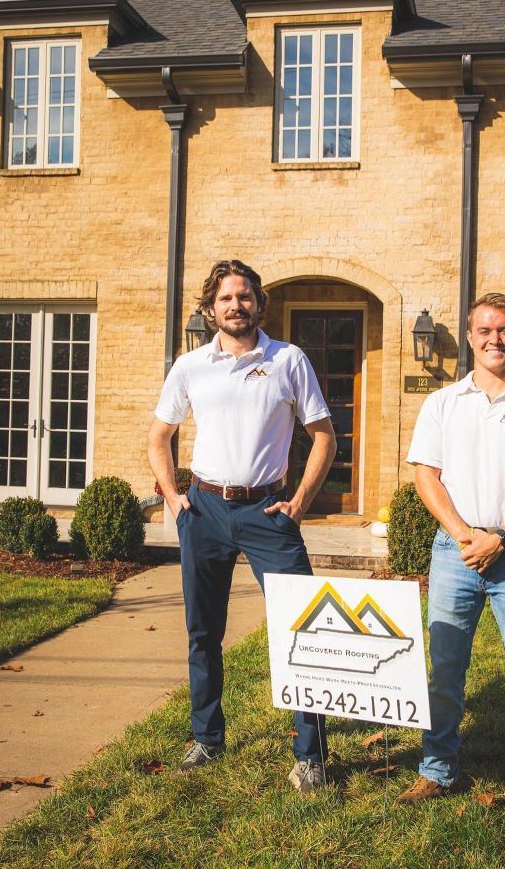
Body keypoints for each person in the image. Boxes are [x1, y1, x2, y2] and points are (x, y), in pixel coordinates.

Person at [147, 259, 336, 793]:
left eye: (246, 296)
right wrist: (172, 496)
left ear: (259, 304)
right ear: (211, 309)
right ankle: (207, 737)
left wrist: (299, 500)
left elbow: (324, 435)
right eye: (226, 298)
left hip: (268, 513)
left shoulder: (287, 360)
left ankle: (311, 754)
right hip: (203, 510)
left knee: (300, 627)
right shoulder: (190, 366)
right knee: (203, 631)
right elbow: (159, 436)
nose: (237, 305)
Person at [396, 292, 505, 826]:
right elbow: (426, 474)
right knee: (445, 670)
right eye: (485, 331)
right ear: (470, 338)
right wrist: (466, 535)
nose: (495, 339)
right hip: (455, 555)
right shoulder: (443, 403)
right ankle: (437, 767)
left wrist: (501, 535)